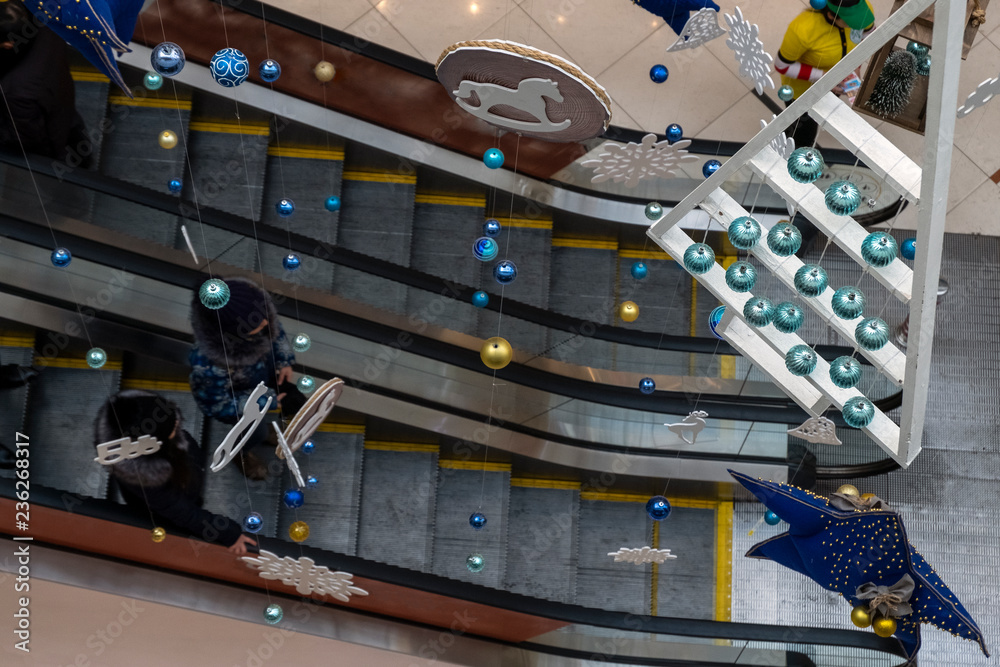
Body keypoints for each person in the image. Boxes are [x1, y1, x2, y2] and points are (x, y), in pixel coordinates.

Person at [94, 389, 256, 554]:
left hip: (182, 472)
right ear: (154, 445)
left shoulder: (133, 422)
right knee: (184, 503)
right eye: (172, 428)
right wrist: (229, 533)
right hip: (168, 495)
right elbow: (185, 514)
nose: (178, 422)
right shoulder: (149, 484)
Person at [189, 277, 304, 480]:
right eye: (257, 324)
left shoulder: (258, 314)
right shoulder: (208, 365)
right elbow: (215, 405)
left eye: (264, 316)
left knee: (294, 400)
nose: (266, 322)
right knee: (254, 433)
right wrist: (265, 401)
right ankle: (240, 453)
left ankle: (265, 433)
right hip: (243, 406)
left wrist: (284, 360)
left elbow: (276, 331)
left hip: (265, 376)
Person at [0, 0, 91, 165]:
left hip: (52, 145)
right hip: (63, 102)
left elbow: (26, 141)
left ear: (8, 44)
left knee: (59, 178)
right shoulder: (45, 19)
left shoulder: (16, 92)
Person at [775, 0, 875, 148]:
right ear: (830, 15)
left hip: (836, 83)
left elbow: (867, 36)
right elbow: (782, 65)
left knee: (820, 113)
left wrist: (856, 67)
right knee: (803, 132)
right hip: (803, 92)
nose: (857, 26)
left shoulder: (861, 8)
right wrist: (824, 77)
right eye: (849, 22)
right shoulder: (802, 29)